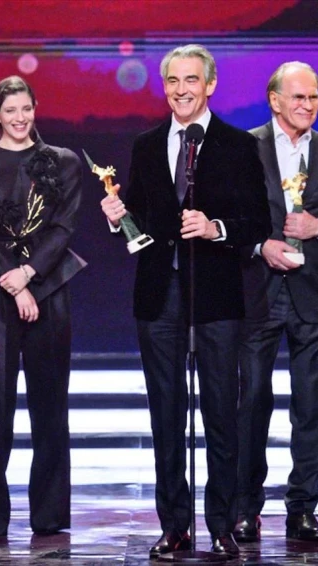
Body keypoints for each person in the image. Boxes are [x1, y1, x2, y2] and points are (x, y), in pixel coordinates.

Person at [100, 44, 270, 558]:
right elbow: (141, 218)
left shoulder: (237, 145)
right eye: (173, 81)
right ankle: (174, 524)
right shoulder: (147, 144)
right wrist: (117, 217)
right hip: (160, 297)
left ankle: (221, 523)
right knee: (166, 415)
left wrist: (215, 227)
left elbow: (258, 223)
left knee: (220, 413)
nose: (181, 90)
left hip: (215, 297)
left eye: (191, 80)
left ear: (210, 85)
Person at [235, 61, 318, 543]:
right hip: (258, 293)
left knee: (312, 406)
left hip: (314, 296)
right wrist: (260, 246)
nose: (307, 105)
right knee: (251, 402)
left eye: (314, 97)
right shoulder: (244, 148)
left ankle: (303, 508)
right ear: (274, 100)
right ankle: (246, 507)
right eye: (298, 97)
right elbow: (227, 220)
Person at [0, 76, 86, 537]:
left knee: (50, 407)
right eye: (10, 110)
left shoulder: (63, 162)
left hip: (49, 288)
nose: (19, 118)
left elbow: (64, 226)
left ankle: (49, 516)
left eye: (26, 108)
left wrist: (29, 274)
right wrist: (15, 284)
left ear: (35, 108)